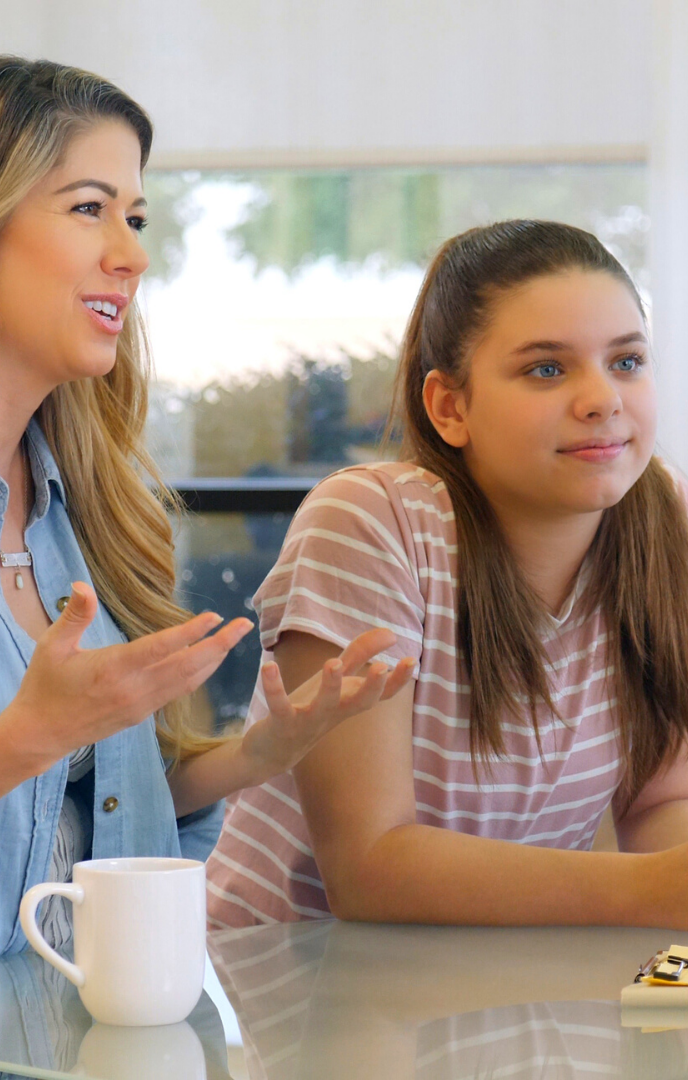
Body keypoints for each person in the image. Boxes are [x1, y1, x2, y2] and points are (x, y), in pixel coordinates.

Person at [207, 219, 688, 932]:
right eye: (546, 369)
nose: (602, 399)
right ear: (450, 407)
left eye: (627, 362)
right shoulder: (371, 523)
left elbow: (665, 804)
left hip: (507, 983)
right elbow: (370, 869)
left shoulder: (665, 514)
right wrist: (656, 885)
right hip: (300, 995)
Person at [0, 57, 412, 958]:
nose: (133, 253)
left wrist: (261, 753)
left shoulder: (77, 507)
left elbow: (97, 810)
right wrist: (24, 739)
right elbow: (32, 757)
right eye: (88, 208)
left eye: (136, 216)